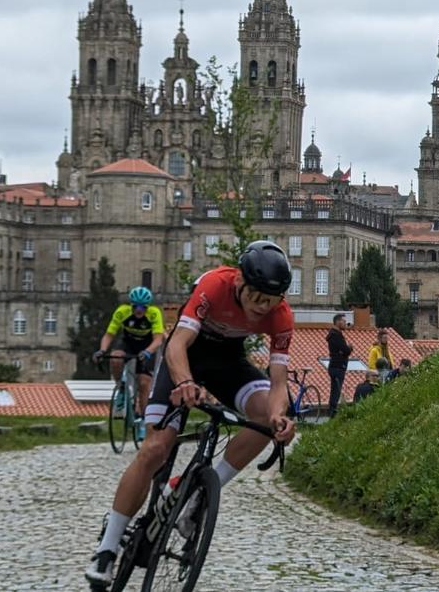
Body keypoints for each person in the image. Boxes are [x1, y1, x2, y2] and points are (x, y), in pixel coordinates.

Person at [85, 241, 298, 587]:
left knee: (262, 418)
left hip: (227, 363)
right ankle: (107, 548)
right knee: (155, 449)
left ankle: (199, 496)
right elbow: (179, 343)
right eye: (257, 298)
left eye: (271, 302)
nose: (262, 308)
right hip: (183, 358)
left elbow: (277, 382)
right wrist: (184, 382)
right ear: (240, 283)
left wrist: (279, 416)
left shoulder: (281, 315)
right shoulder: (214, 284)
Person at [93, 286, 165, 441]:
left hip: (147, 346)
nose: (139, 311)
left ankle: (144, 422)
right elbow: (109, 334)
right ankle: (120, 388)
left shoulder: (154, 314)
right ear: (131, 305)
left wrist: (147, 352)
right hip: (128, 342)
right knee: (116, 357)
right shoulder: (122, 312)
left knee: (144, 383)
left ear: (147, 307)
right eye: (136, 307)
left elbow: (158, 339)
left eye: (142, 307)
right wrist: (101, 350)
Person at [325, 314, 352, 416]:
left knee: (335, 390)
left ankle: (332, 410)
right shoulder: (336, 335)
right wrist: (349, 348)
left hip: (335, 365)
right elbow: (345, 350)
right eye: (344, 321)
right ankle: (332, 412)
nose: (345, 323)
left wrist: (345, 349)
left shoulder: (334, 334)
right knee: (336, 390)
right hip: (338, 366)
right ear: (338, 322)